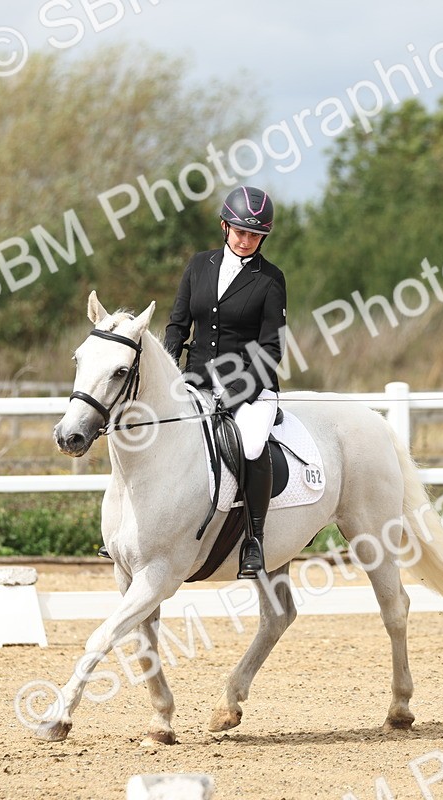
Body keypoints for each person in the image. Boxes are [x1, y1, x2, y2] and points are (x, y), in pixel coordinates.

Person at [163, 186, 286, 579]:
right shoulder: (199, 265)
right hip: (194, 382)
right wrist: (170, 374)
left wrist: (235, 391)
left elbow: (271, 348)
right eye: (240, 232)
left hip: (251, 388)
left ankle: (254, 539)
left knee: (251, 444)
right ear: (224, 226)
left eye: (255, 235)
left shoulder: (270, 279)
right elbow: (178, 325)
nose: (246, 240)